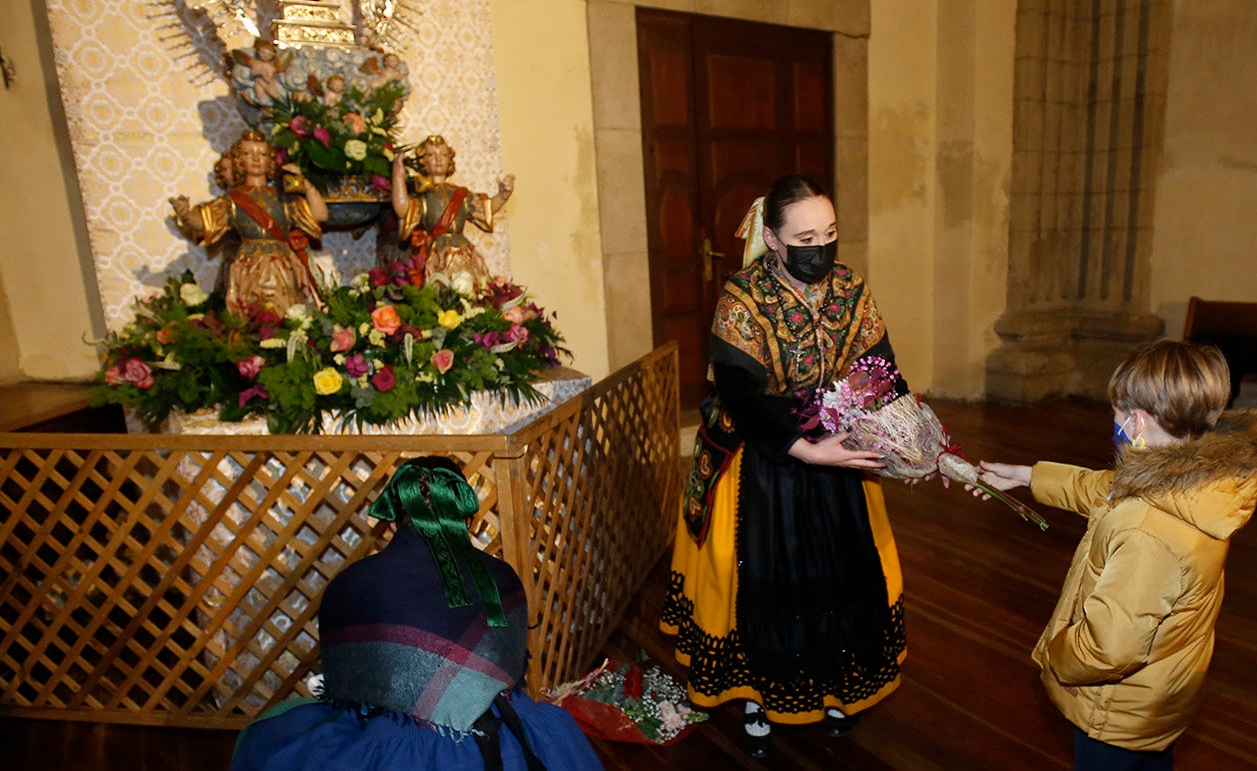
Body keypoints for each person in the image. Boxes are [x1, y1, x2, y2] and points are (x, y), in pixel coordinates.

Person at [658, 174, 905, 758]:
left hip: (838, 451)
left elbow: (880, 367)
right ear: (772, 238)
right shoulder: (742, 299)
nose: (821, 247)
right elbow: (742, 397)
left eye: (831, 232)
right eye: (805, 236)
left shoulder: (851, 288)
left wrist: (911, 435)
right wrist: (803, 448)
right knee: (768, 581)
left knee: (844, 573)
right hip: (767, 460)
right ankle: (757, 696)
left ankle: (839, 686)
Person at [977, 339, 1257, 770]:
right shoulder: (1193, 484)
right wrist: (1031, 476)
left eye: (1118, 414)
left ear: (1138, 424)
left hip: (1115, 710)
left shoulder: (1149, 533)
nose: (1115, 422)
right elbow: (1106, 490)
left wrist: (1057, 655)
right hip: (1159, 694)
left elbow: (1108, 649)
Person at [230, 456, 602, 771]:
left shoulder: (354, 583)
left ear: (394, 518)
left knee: (272, 737)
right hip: (506, 740)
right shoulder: (502, 577)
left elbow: (346, 686)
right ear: (464, 512)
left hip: (392, 744)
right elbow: (511, 670)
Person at [169, 130, 327, 317]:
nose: (256, 158)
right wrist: (185, 214)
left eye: (262, 154)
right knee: (252, 316)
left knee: (287, 314)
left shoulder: (284, 199)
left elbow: (320, 216)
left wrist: (307, 185)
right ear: (238, 161)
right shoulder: (232, 201)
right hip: (249, 268)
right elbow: (204, 222)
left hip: (283, 266)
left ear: (270, 160)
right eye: (248, 153)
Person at [391, 134, 514, 288]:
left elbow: (485, 209)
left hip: (463, 253)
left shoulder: (460, 194)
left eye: (443, 154)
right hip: (437, 256)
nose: (438, 159)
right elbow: (403, 209)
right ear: (423, 160)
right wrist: (398, 176)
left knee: (471, 291)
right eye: (431, 155)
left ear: (450, 159)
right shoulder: (424, 197)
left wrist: (502, 196)